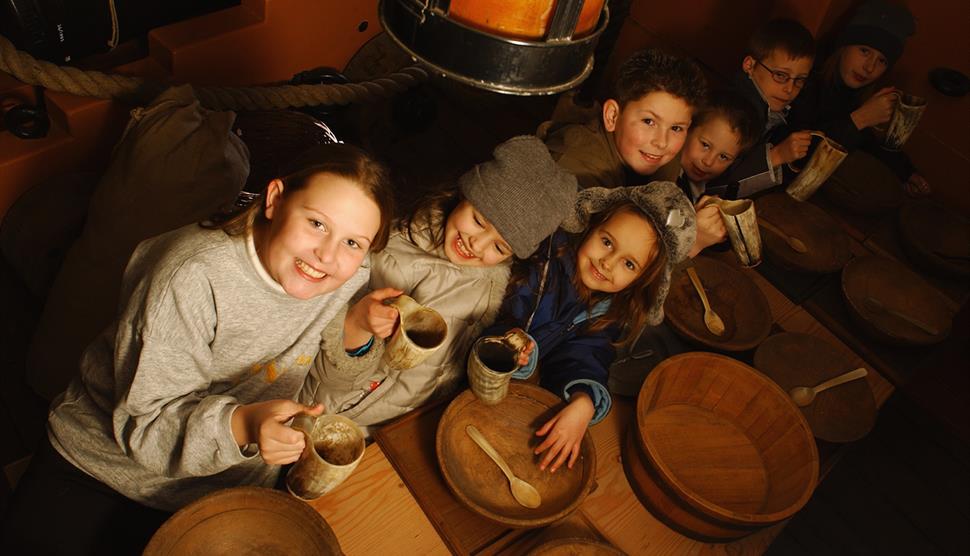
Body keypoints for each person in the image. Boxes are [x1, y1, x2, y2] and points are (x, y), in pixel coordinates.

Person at [1, 142, 396, 555]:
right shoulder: (191, 276)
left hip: (230, 476)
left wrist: (353, 329)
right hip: (107, 469)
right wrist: (243, 424)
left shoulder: (348, 274)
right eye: (316, 223)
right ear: (276, 199)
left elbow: (319, 379)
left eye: (354, 242)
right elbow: (145, 427)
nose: (328, 255)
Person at [302, 136, 578, 436]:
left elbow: (456, 359)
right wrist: (361, 327)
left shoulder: (494, 283)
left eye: (499, 248)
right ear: (464, 193)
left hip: (397, 426)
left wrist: (501, 354)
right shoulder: (392, 254)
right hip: (329, 413)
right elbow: (325, 349)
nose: (476, 244)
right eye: (478, 221)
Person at [484, 181, 696, 473]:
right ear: (592, 224)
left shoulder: (609, 309)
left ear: (641, 282)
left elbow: (585, 354)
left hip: (503, 391)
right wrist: (514, 348)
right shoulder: (546, 259)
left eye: (629, 264)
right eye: (607, 242)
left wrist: (584, 401)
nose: (607, 263)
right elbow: (501, 315)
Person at [790, 0, 928, 197]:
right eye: (864, 51)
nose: (870, 67)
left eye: (882, 61)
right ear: (844, 45)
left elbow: (866, 142)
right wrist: (860, 119)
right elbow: (798, 155)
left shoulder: (855, 91)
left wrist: (905, 172)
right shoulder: (806, 77)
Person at [540, 48, 708, 188]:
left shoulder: (659, 158)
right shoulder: (574, 170)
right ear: (612, 116)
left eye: (676, 128)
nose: (662, 142)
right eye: (649, 121)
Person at [711, 18, 816, 198]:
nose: (789, 89)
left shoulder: (778, 109)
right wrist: (776, 156)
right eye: (780, 75)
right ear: (750, 65)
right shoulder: (733, 112)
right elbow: (714, 186)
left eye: (799, 80)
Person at [677, 89, 762, 256]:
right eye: (705, 145)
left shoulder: (704, 186)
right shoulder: (662, 179)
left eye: (723, 157)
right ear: (687, 127)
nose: (708, 162)